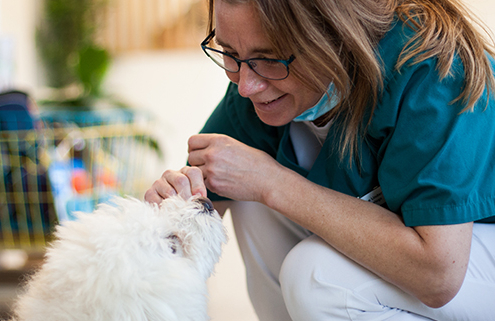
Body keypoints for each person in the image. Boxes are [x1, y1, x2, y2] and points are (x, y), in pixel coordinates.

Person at [145, 0, 495, 319]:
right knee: (243, 191)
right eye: (229, 52)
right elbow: (193, 210)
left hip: (465, 258)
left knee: (316, 275)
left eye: (269, 58)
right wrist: (173, 206)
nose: (246, 85)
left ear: (334, 36)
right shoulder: (254, 85)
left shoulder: (429, 70)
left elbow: (438, 275)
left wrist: (274, 182)